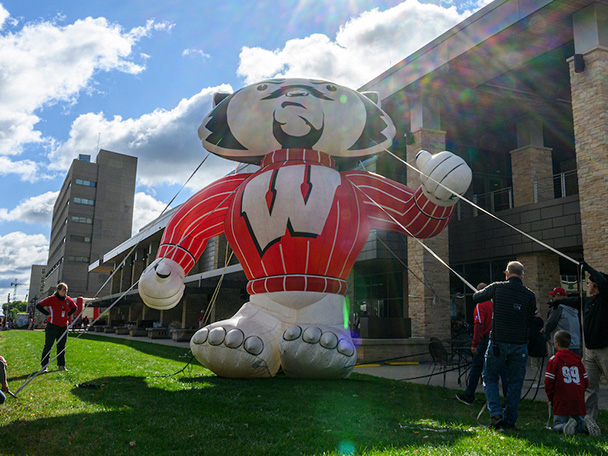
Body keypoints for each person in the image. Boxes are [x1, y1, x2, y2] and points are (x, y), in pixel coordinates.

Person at [474, 261, 536, 430]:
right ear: (522, 276)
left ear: (507, 274)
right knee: (515, 383)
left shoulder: (497, 287)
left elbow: (476, 297)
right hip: (519, 344)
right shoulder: (529, 295)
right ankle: (510, 420)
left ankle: (495, 415)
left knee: (490, 378)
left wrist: (482, 291)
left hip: (498, 343)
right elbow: (531, 320)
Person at [549, 262, 608, 423]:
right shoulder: (589, 302)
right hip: (589, 351)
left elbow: (604, 282)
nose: (586, 285)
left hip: (605, 350)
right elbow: (575, 301)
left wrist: (587, 267)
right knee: (589, 387)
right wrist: (558, 302)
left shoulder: (605, 299)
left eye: (588, 283)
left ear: (596, 285)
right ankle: (588, 421)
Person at [456, 282, 508, 406]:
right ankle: (508, 399)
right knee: (502, 370)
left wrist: (475, 344)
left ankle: (469, 396)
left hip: (485, 340)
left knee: (476, 368)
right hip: (498, 339)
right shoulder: (496, 305)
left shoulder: (480, 306)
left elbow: (478, 325)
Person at [545, 330, 600, 436]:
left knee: (558, 424)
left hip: (561, 398)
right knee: (579, 420)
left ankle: (565, 427)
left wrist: (550, 397)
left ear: (556, 343)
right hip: (578, 398)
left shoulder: (554, 360)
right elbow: (585, 381)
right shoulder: (578, 361)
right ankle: (586, 427)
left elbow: (549, 381)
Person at [36, 283, 78, 372]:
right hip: (52, 325)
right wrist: (47, 314)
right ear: (58, 290)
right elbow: (39, 305)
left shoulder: (68, 300)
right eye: (63, 290)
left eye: (66, 290)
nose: (65, 292)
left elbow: (75, 308)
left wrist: (67, 315)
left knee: (61, 346)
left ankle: (61, 365)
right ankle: (44, 366)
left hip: (63, 326)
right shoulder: (52, 299)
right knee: (48, 346)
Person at [542, 287, 581, 356]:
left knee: (560, 365)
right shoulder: (573, 308)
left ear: (559, 296)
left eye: (553, 296)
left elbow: (550, 323)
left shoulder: (559, 308)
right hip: (575, 344)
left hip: (562, 345)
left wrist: (545, 331)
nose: (552, 298)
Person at [528, 309, 547, 388]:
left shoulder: (531, 324)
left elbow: (531, 336)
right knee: (539, 365)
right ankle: (541, 380)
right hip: (541, 344)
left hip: (534, 346)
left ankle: (539, 381)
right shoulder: (540, 322)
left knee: (534, 364)